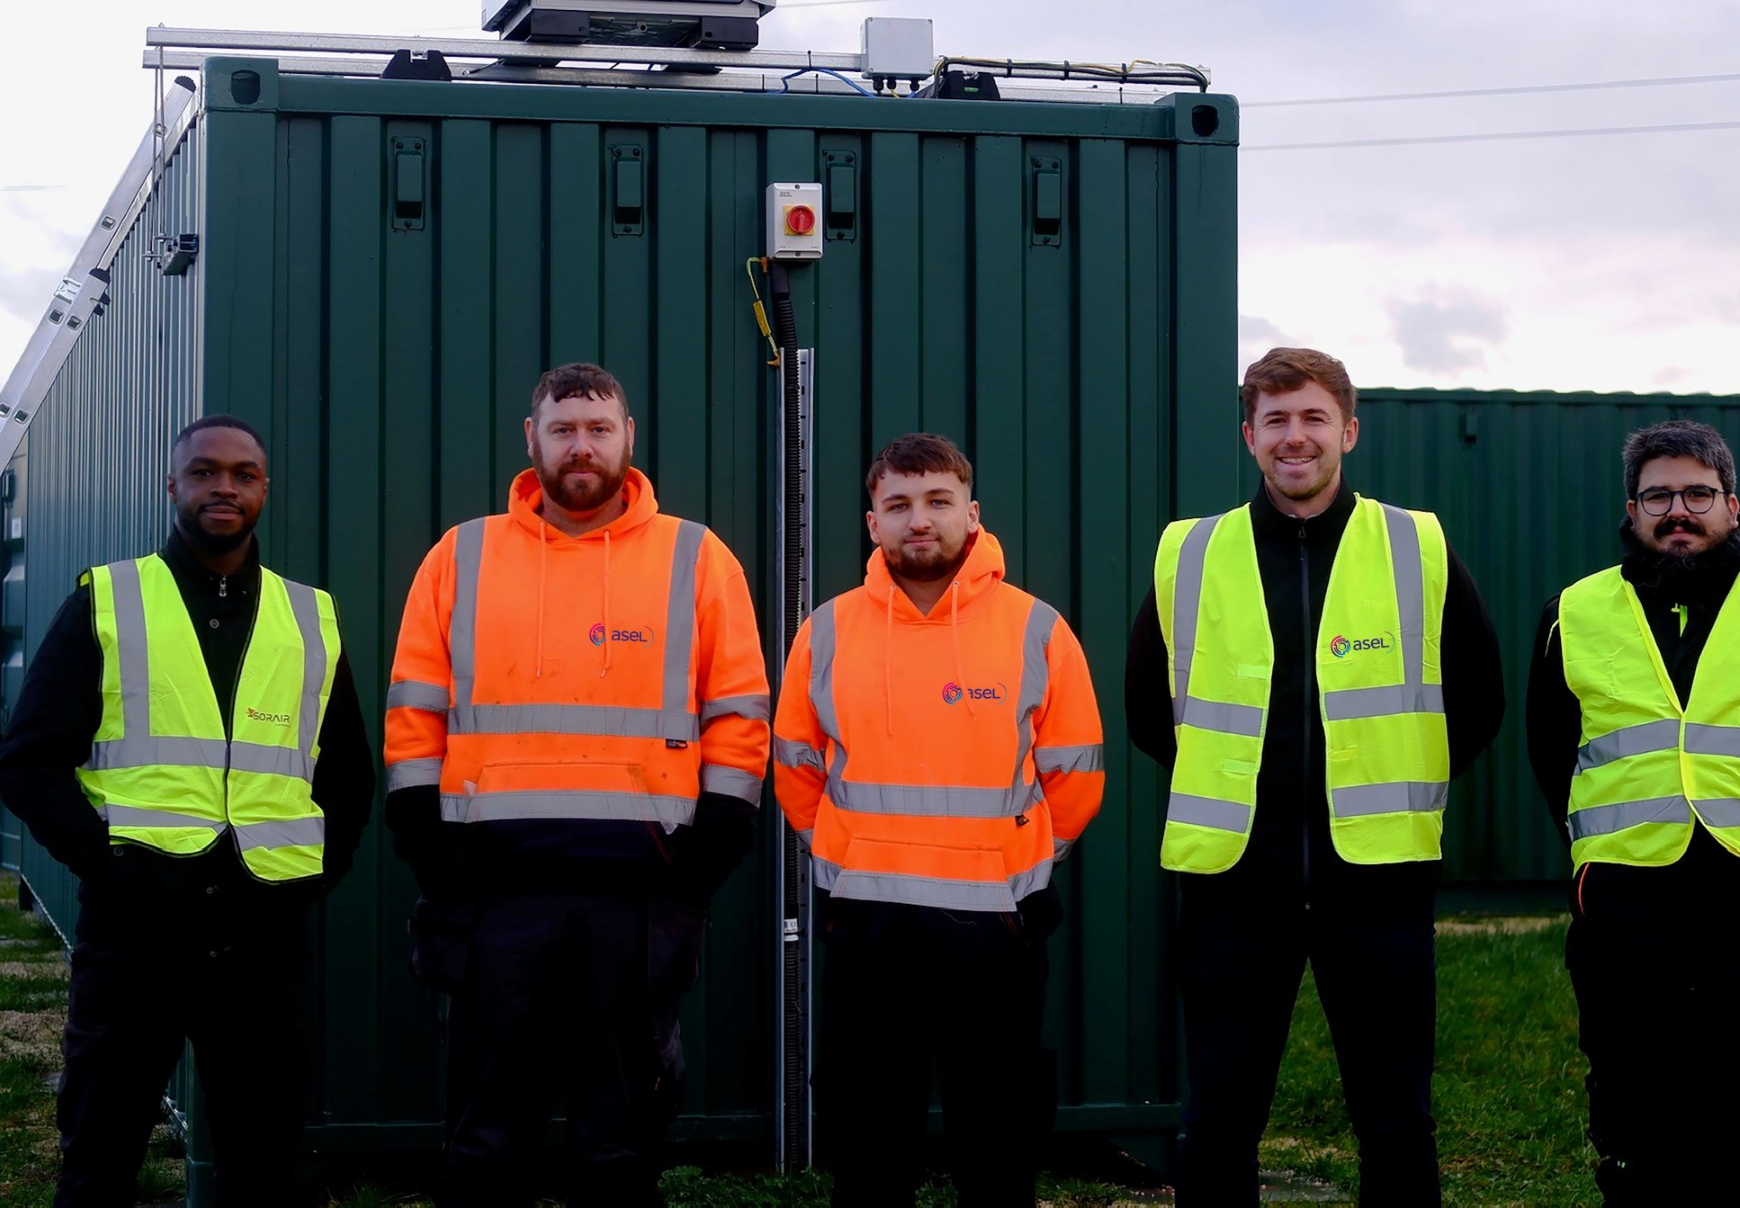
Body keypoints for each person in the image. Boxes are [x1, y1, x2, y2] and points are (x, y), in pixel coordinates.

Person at [384, 361, 770, 1208]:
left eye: (599, 427)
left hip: (636, 898)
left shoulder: (697, 558)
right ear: (532, 441)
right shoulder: (462, 554)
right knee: (485, 1142)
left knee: (619, 1147)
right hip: (492, 897)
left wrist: (708, 854)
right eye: (563, 428)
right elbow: (415, 712)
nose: (581, 445)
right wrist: (429, 844)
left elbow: (740, 716)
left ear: (630, 437)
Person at [1125, 348, 1504, 1206]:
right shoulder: (1190, 553)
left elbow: (1479, 697)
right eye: (1276, 419)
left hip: (1377, 880)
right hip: (1232, 881)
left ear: (1350, 431)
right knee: (1218, 1117)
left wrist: (1398, 782)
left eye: (1313, 417)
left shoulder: (1420, 544)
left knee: (1396, 1118)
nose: (1295, 436)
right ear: (1249, 436)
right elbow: (1151, 711)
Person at [0, 414, 375, 1207]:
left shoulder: (309, 617)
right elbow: (29, 760)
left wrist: (311, 873)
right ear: (173, 485)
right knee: (100, 1155)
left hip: (263, 935)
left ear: (264, 490)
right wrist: (106, 864)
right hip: (138, 929)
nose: (224, 487)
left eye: (242, 474)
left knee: (264, 1164)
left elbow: (348, 776)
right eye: (204, 472)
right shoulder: (109, 599)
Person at [1526, 419, 1740, 1208]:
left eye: (1697, 493)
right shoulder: (1573, 613)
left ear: (1731, 503)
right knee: (1639, 1140)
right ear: (1632, 507)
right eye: (1658, 494)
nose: (1677, 510)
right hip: (1625, 913)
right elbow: (1552, 753)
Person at [772, 433, 1105, 1207]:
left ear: (972, 511)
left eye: (937, 501)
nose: (918, 520)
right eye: (898, 504)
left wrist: (1014, 861)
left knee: (996, 1149)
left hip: (998, 931)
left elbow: (1076, 775)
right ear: (872, 522)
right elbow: (794, 767)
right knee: (870, 1149)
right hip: (867, 928)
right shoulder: (825, 630)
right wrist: (847, 854)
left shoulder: (1036, 629)